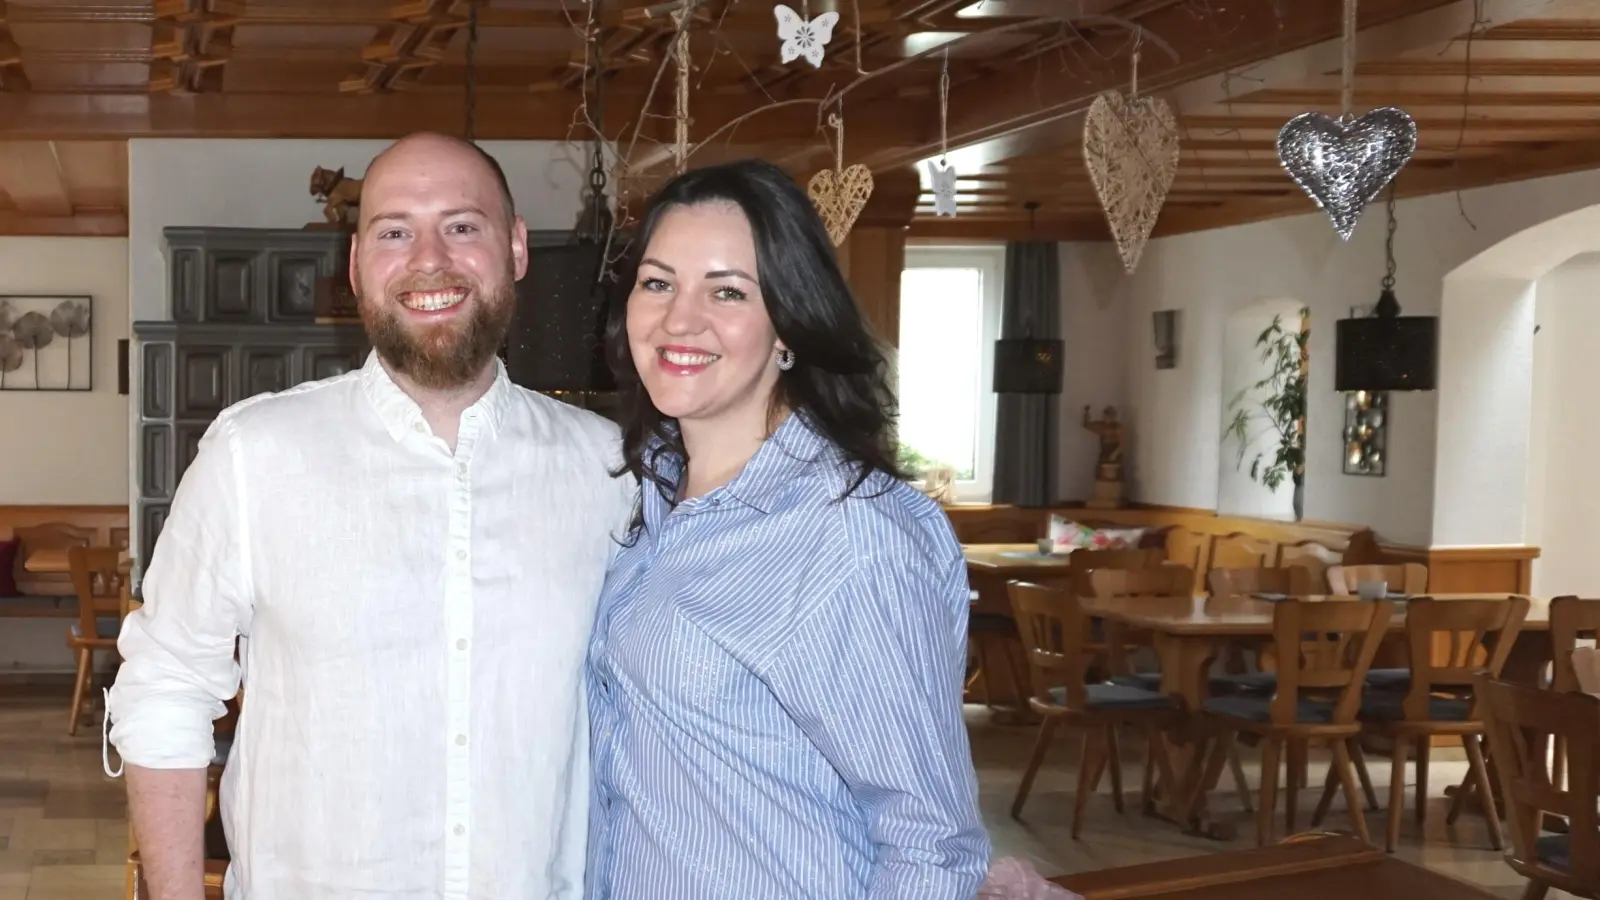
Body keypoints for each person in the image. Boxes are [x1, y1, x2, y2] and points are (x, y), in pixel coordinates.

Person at [105, 132, 637, 900]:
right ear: (355, 266)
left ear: (515, 248)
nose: (431, 259)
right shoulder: (253, 456)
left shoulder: (610, 470)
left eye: (463, 226)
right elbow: (163, 689)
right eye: (394, 231)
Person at [584, 158, 990, 899]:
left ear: (789, 328)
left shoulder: (848, 537)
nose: (680, 318)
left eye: (729, 291)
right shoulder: (654, 496)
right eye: (658, 281)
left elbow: (930, 842)